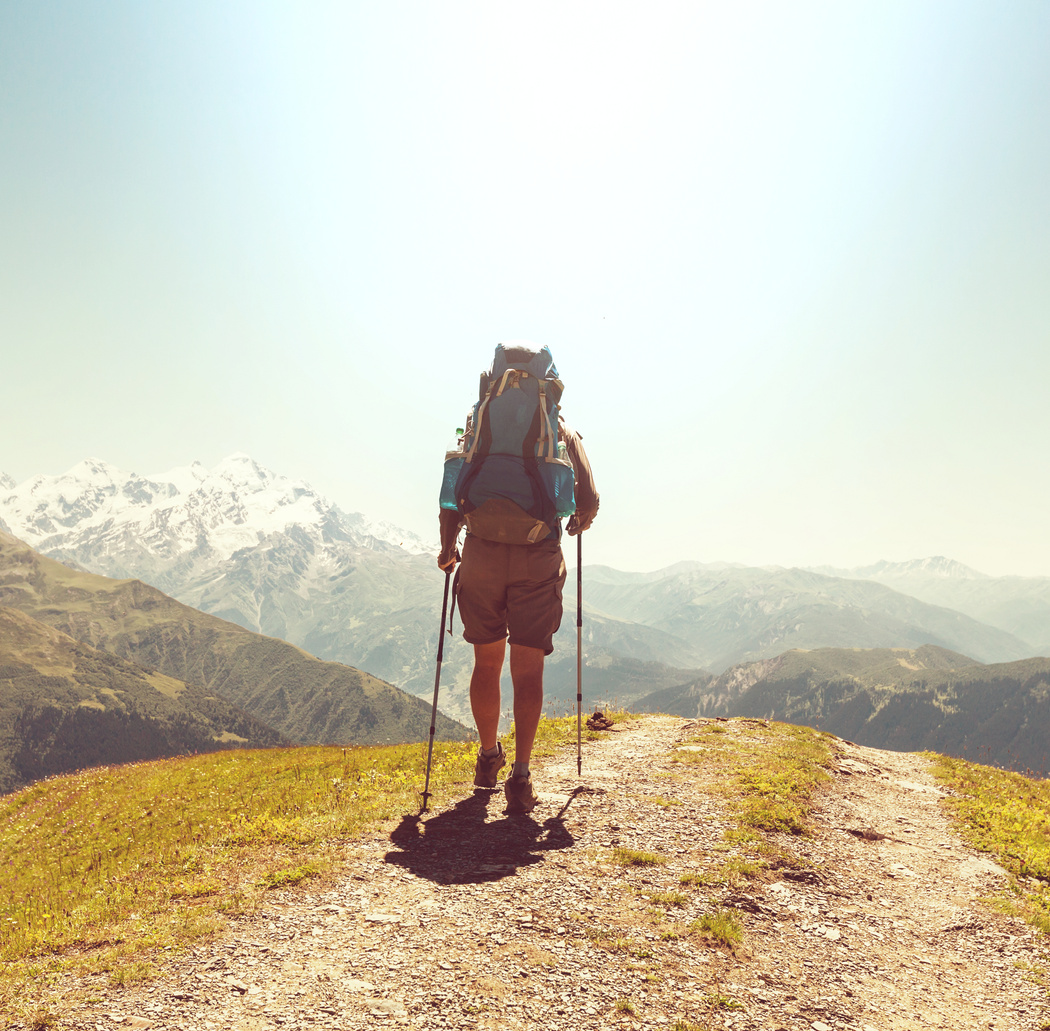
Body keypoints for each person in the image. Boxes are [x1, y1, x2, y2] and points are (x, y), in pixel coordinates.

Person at [437, 343, 598, 814]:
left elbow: (452, 492)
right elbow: (587, 501)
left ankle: (488, 758)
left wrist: (449, 549)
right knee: (528, 670)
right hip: (536, 557)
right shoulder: (561, 428)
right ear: (549, 382)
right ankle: (521, 778)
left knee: (486, 664)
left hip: (482, 554)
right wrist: (575, 522)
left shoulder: (477, 422)